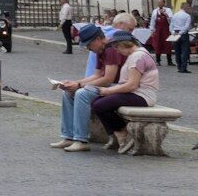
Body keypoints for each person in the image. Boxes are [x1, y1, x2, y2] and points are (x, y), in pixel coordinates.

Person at [91, 30, 160, 154]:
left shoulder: (137, 57)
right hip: (137, 93)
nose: (117, 51)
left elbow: (132, 85)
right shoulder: (136, 55)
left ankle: (122, 132)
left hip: (142, 95)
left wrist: (109, 91)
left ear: (123, 45)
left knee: (99, 105)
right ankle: (117, 133)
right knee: (97, 102)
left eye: (117, 48)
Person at [52, 23, 117, 151]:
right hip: (105, 86)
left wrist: (80, 85)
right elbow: (97, 75)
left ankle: (81, 139)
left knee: (81, 94)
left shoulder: (111, 50)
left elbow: (108, 79)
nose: (88, 48)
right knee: (68, 92)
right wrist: (74, 83)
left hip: (115, 87)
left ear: (98, 39)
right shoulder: (100, 50)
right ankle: (68, 136)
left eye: (88, 44)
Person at [172, 2, 193, 74]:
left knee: (177, 51)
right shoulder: (187, 16)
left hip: (175, 33)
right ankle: (183, 68)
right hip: (183, 34)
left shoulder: (175, 14)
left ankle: (179, 67)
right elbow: (186, 27)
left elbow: (171, 25)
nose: (189, 8)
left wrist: (173, 32)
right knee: (184, 51)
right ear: (184, 7)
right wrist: (180, 33)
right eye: (188, 7)